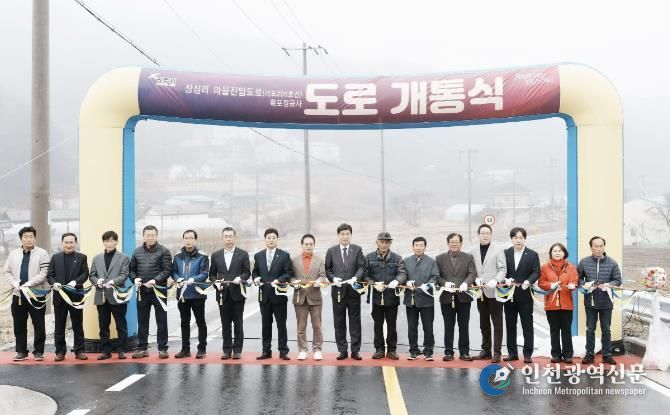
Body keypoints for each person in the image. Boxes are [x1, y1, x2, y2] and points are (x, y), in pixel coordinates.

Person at [3, 226, 50, 361]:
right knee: (19, 324)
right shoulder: (13, 254)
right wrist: (14, 283)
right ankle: (21, 351)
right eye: (25, 237)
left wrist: (30, 283)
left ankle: (39, 351)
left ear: (35, 238)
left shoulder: (42, 253)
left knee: (39, 324)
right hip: (18, 295)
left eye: (31, 237)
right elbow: (7, 271)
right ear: (21, 239)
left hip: (36, 294)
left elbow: (44, 273)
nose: (28, 239)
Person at [324, 223, 366, 360]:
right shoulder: (331, 251)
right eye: (342, 234)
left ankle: (355, 350)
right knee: (339, 322)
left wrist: (356, 278)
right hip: (338, 292)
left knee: (355, 322)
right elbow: (327, 269)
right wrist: (333, 278)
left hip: (353, 291)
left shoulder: (357, 250)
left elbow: (362, 267)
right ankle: (342, 350)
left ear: (351, 235)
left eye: (347, 234)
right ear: (338, 235)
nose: (345, 236)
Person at [577, 236, 622, 366]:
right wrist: (586, 284)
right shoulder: (584, 262)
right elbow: (577, 279)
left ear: (604, 247)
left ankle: (607, 355)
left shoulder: (612, 263)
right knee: (590, 329)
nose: (598, 248)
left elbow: (618, 280)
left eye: (601, 246)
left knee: (606, 329)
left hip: (606, 302)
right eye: (596, 246)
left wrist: (608, 285)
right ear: (591, 247)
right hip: (590, 302)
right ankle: (589, 354)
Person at [130, 225, 173, 359]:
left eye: (152, 235)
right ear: (143, 236)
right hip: (142, 291)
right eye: (147, 235)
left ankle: (163, 348)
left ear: (156, 236)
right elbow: (131, 270)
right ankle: (142, 348)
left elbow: (167, 270)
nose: (150, 237)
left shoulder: (164, 251)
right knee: (142, 321)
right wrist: (134, 279)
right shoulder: (137, 252)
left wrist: (156, 280)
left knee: (161, 321)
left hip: (159, 291)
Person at [209, 226, 251, 360]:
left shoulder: (243, 254)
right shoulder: (216, 255)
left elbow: (247, 272)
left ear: (234, 237)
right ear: (222, 238)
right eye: (226, 236)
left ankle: (237, 350)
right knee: (225, 323)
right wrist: (215, 282)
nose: (228, 239)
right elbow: (212, 274)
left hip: (238, 293)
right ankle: (226, 350)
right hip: (222, 294)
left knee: (238, 322)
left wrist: (241, 278)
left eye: (230, 236)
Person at [47, 232, 89, 361]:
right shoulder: (55, 258)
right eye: (66, 242)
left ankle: (79, 350)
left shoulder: (82, 257)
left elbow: (85, 273)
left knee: (77, 324)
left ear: (75, 243)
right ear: (62, 243)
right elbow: (50, 275)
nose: (69, 245)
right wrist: (54, 283)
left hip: (76, 296)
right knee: (59, 325)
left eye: (71, 242)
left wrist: (76, 282)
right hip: (60, 296)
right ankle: (60, 351)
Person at [253, 228, 293, 360]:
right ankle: (266, 351)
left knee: (281, 324)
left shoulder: (284, 255)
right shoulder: (258, 256)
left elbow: (289, 273)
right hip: (264, 295)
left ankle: (283, 351)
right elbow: (255, 271)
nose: (271, 240)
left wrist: (279, 280)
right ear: (265, 239)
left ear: (277, 239)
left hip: (279, 295)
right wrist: (256, 278)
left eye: (273, 237)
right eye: (269, 237)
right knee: (265, 324)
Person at [436, 233, 477, 362]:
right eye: (452, 242)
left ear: (461, 243)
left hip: (463, 297)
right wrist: (444, 283)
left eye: (457, 242)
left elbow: (472, 273)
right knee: (448, 326)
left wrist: (466, 283)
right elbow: (436, 276)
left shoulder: (468, 257)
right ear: (448, 243)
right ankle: (448, 352)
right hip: (446, 297)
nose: (454, 244)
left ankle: (464, 352)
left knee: (464, 326)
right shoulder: (439, 258)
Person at [89, 230, 130, 360]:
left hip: (117, 296)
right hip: (101, 296)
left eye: (112, 241)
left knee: (121, 324)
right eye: (106, 241)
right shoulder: (97, 258)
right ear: (103, 242)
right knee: (103, 325)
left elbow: (124, 275)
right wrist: (97, 281)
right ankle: (105, 351)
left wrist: (113, 282)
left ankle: (122, 350)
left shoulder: (124, 258)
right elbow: (92, 275)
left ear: (116, 242)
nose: (109, 243)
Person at [366, 232, 407, 360]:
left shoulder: (397, 258)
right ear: (377, 242)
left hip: (392, 298)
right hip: (376, 298)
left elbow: (402, 274)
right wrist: (372, 283)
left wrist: (397, 281)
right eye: (382, 242)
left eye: (387, 242)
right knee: (377, 325)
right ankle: (379, 349)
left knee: (392, 325)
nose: (384, 245)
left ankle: (392, 350)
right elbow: (365, 274)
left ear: (390, 243)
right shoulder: (369, 257)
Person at [469, 224, 507, 363]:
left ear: (491, 235)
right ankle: (485, 350)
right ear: (478, 235)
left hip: (494, 292)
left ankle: (497, 352)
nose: (485, 235)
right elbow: (471, 270)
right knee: (483, 322)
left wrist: (496, 280)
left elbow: (503, 269)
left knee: (497, 323)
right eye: (483, 233)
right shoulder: (472, 251)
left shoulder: (498, 250)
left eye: (488, 233)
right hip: (480, 292)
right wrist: (475, 280)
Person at [503, 226, 541, 364]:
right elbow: (501, 269)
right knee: (510, 324)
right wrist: (505, 279)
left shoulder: (532, 254)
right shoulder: (506, 253)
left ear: (524, 239)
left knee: (527, 325)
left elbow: (536, 272)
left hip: (525, 295)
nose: (518, 240)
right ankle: (512, 353)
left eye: (521, 238)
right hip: (509, 295)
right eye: (515, 238)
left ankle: (527, 354)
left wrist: (528, 281)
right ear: (511, 239)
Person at [538, 242, 579, 363]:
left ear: (564, 253)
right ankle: (555, 354)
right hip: (551, 304)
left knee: (566, 330)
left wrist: (572, 285)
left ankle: (568, 354)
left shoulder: (571, 267)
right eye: (554, 251)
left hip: (566, 304)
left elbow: (574, 280)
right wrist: (550, 285)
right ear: (551, 253)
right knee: (554, 330)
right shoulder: (544, 267)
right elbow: (541, 283)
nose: (557, 253)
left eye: (559, 251)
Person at [173, 229, 209, 359]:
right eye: (186, 238)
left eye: (191, 238)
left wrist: (194, 279)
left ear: (195, 240)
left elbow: (204, 274)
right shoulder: (178, 256)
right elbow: (174, 272)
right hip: (182, 295)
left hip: (197, 294)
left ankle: (202, 349)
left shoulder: (202, 256)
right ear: (183, 239)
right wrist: (178, 279)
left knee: (200, 322)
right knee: (184, 322)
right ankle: (185, 349)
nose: (188, 240)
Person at [291, 234, 327, 361]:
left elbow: (323, 276)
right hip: (300, 296)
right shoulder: (294, 260)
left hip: (315, 296)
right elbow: (290, 276)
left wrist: (319, 281)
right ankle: (302, 350)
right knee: (301, 326)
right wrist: (293, 282)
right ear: (302, 245)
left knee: (317, 326)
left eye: (311, 244)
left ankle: (317, 349)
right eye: (306, 244)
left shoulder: (319, 260)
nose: (309, 246)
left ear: (314, 245)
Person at [403, 237, 439, 361]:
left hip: (426, 299)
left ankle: (428, 351)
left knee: (428, 327)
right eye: (416, 245)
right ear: (412, 247)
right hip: (411, 299)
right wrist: (406, 282)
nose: (419, 248)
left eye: (421, 245)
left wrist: (428, 284)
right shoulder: (406, 261)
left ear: (425, 247)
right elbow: (402, 275)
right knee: (412, 327)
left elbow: (435, 276)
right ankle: (413, 350)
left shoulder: (431, 261)